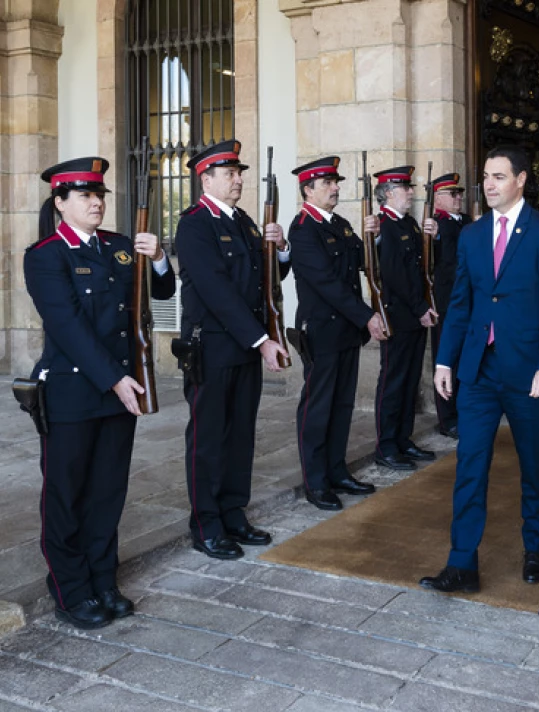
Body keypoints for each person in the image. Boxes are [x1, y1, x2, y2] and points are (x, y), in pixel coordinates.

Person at [23, 156, 176, 629]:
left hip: (119, 390)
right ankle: (71, 588)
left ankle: (102, 579)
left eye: (100, 195)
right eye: (86, 195)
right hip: (73, 391)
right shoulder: (46, 255)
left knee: (108, 491)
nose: (96, 202)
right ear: (61, 202)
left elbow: (164, 293)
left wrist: (160, 259)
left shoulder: (122, 247)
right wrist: (114, 378)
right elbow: (67, 327)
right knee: (68, 494)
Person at [419, 145, 539, 593]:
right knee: (470, 464)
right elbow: (461, 303)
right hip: (478, 372)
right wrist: (445, 359)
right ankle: (462, 561)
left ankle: (535, 548)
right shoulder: (471, 235)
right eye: (485, 176)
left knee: (533, 465)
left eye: (499, 177)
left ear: (522, 180)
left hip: (528, 374)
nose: (488, 184)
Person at [175, 140, 289, 560]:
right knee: (208, 439)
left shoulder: (243, 221)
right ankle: (205, 523)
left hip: (244, 344)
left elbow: (263, 276)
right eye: (230, 173)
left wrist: (283, 249)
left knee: (240, 434)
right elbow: (216, 290)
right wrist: (261, 340)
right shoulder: (195, 224)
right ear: (207, 179)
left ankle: (232, 513)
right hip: (213, 348)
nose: (239, 179)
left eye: (239, 172)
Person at [289, 156, 388, 511]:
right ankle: (315, 482)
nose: (335, 187)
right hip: (322, 330)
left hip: (345, 331)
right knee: (318, 408)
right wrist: (367, 316)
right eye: (327, 183)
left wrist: (374, 238)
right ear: (308, 190)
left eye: (336, 182)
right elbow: (327, 284)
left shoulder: (342, 224)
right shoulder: (302, 229)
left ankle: (336, 470)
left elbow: (363, 263)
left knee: (342, 404)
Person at [373, 165, 439, 470]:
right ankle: (386, 446)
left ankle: (403, 439)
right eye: (405, 188)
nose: (410, 192)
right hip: (398, 316)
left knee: (411, 379)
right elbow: (395, 276)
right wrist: (420, 307)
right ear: (388, 193)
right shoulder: (384, 225)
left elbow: (422, 270)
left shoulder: (410, 223)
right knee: (393, 381)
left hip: (414, 315)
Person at [431, 173, 473, 440]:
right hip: (446, 302)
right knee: (446, 360)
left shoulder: (469, 222)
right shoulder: (435, 225)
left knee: (467, 359)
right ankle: (447, 418)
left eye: (460, 194)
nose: (459, 198)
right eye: (452, 194)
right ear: (437, 197)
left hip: (470, 300)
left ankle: (465, 410)